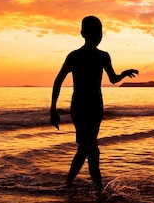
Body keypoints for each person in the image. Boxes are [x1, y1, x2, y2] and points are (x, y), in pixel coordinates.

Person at [50, 16, 138, 189]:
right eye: (93, 32)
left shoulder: (103, 56)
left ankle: (72, 185)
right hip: (80, 106)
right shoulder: (74, 56)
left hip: (96, 107)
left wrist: (124, 74)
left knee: (87, 147)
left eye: (99, 32)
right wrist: (52, 108)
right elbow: (58, 80)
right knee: (90, 147)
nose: (97, 36)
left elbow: (113, 79)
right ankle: (97, 187)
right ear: (83, 33)